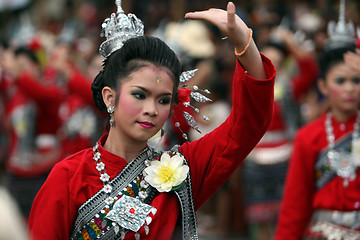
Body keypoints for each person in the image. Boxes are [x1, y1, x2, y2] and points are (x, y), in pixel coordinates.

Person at [28, 1, 275, 239]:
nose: (152, 110)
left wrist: (245, 43)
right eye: (139, 95)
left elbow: (247, 126)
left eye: (164, 100)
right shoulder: (69, 178)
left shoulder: (184, 169)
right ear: (109, 97)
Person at [275, 1, 360, 238]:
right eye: (340, 81)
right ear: (324, 85)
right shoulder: (309, 136)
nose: (350, 89)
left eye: (357, 80)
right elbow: (295, 205)